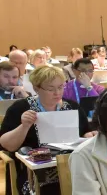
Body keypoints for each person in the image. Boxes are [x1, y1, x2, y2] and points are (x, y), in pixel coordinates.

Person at [0, 66, 94, 194]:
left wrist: (90, 135)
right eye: (51, 89)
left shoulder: (72, 107)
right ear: (36, 88)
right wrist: (24, 126)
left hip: (72, 165)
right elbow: (7, 145)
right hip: (36, 171)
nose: (57, 93)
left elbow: (85, 133)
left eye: (61, 87)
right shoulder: (21, 108)